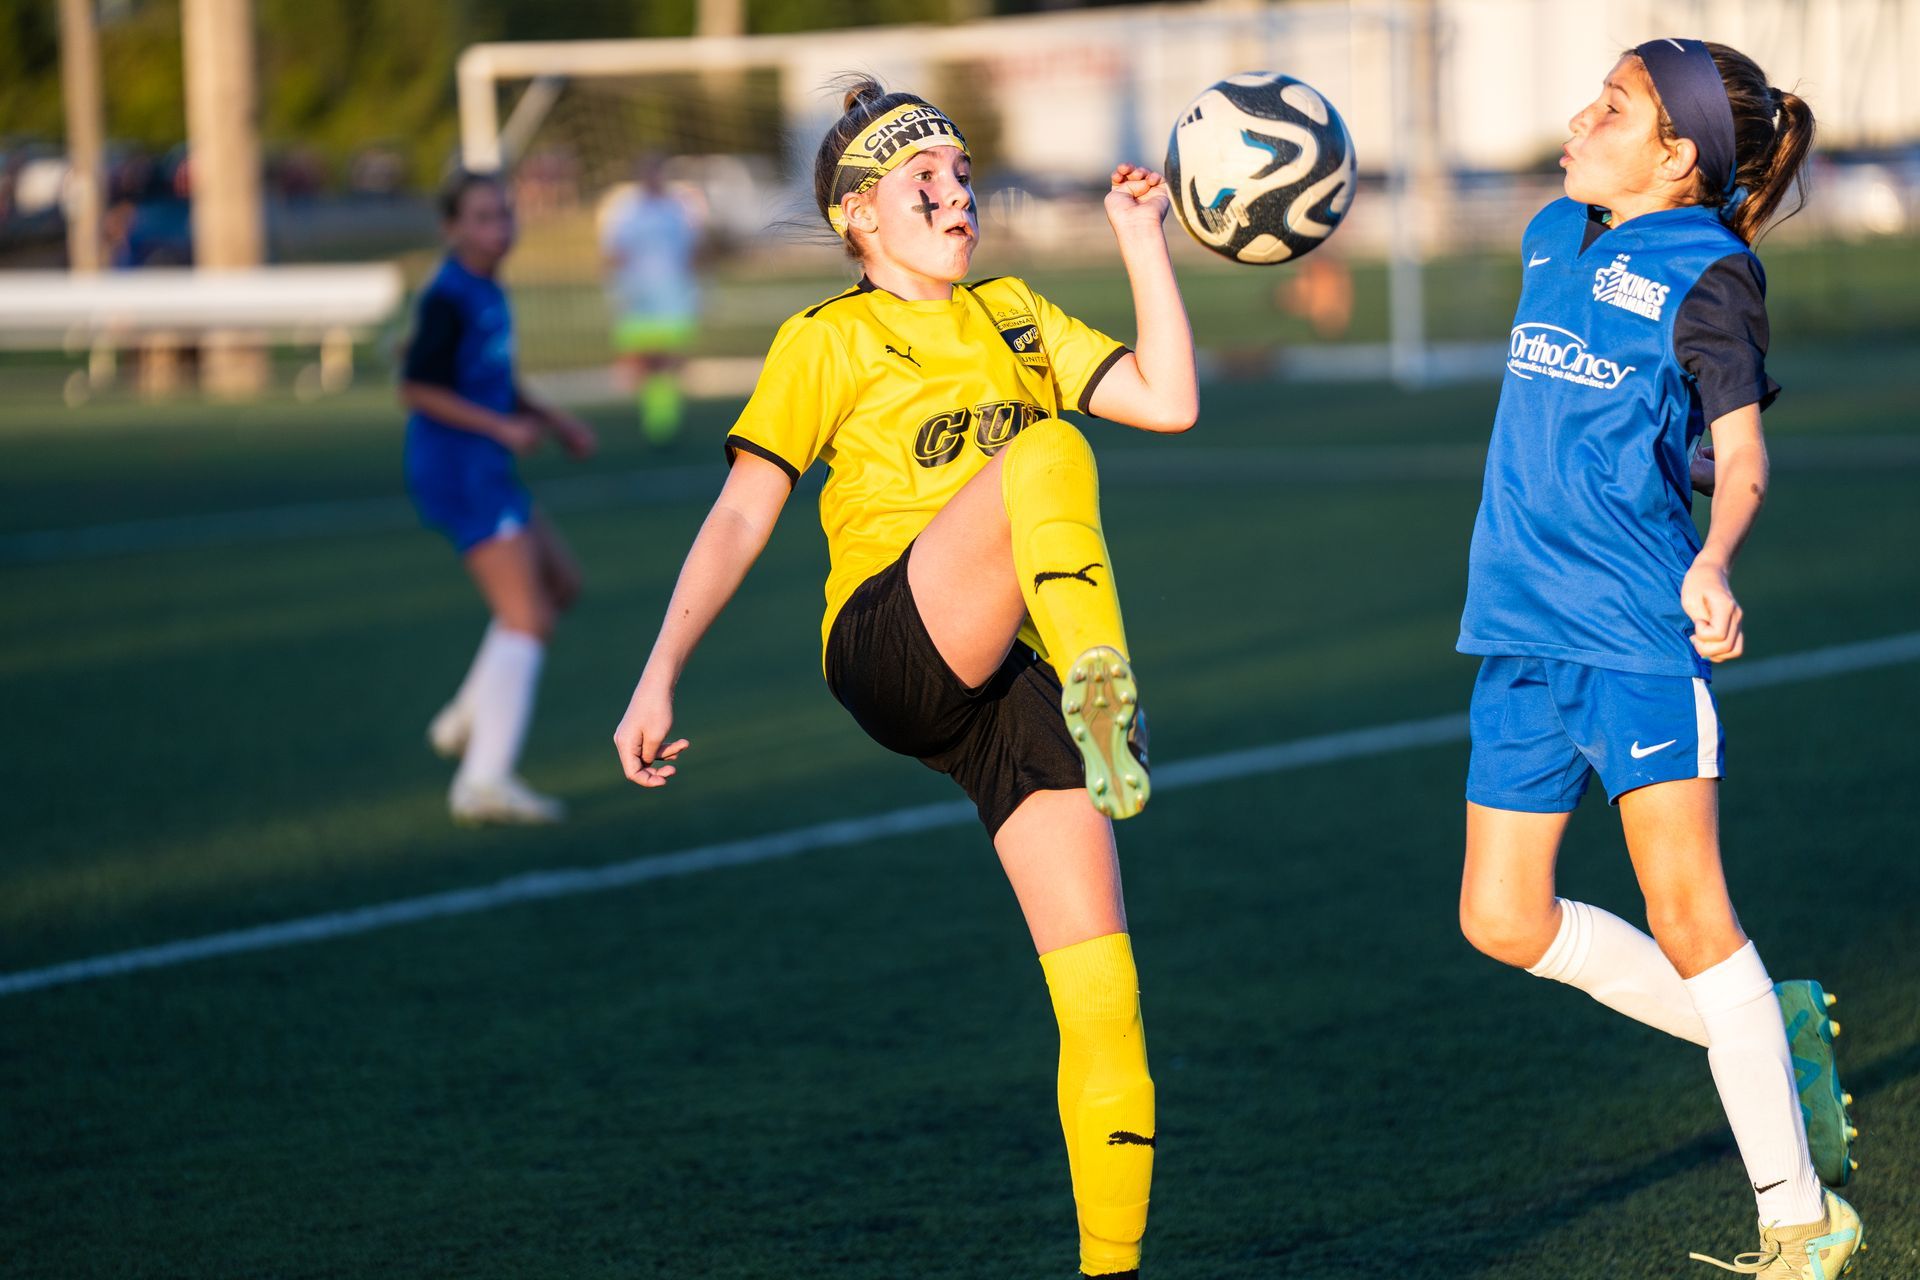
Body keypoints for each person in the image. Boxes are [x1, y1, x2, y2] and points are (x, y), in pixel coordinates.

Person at [611, 78, 1197, 1278]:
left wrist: (1144, 243)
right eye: (922, 178)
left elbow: (1171, 400)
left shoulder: (1019, 314)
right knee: (1045, 449)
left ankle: (1112, 1265)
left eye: (964, 172)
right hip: (888, 640)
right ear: (858, 218)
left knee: (1105, 1000)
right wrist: (658, 670)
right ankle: (1107, 680)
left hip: (1006, 683)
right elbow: (740, 513)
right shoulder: (828, 339)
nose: (955, 193)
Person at [1454, 40, 1863, 1277]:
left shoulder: (1713, 271)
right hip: (1516, 629)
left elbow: (1738, 457)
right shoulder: (1547, 231)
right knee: (1499, 916)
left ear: (1678, 156)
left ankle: (1801, 1214)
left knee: (1691, 914)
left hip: (1632, 632)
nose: (1580, 117)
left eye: (1614, 106)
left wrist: (1714, 560)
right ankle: (1767, 1036)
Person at [401, 170, 599, 825]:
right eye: (483, 217)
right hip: (460, 467)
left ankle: (466, 715)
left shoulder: (487, 289)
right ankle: (482, 781)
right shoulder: (448, 296)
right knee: (529, 618)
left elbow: (489, 377)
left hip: (484, 461)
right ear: (451, 227)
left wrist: (550, 418)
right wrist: (501, 428)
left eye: (504, 215)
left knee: (561, 584)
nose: (499, 228)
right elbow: (418, 388)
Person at [601, 153, 702, 446]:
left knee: (668, 360)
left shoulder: (676, 211)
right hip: (639, 300)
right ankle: (654, 420)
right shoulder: (626, 212)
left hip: (671, 299)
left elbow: (691, 252)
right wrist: (619, 291)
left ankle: (663, 424)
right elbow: (614, 253)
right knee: (641, 363)